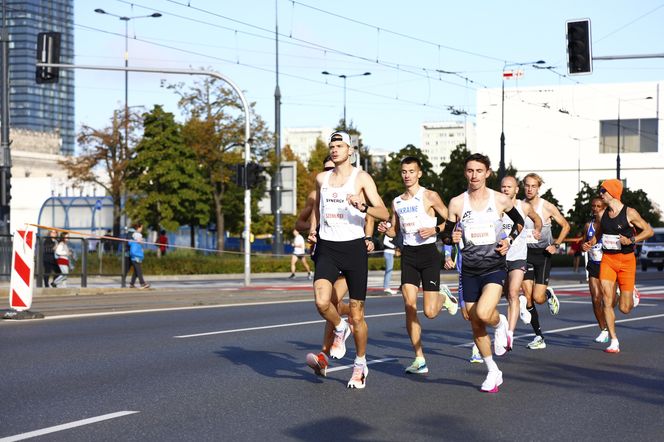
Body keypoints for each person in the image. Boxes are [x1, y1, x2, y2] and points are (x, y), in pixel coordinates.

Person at [308, 131, 389, 389]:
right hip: (328, 247)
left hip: (353, 249)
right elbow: (317, 209)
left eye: (339, 145)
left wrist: (363, 207)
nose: (334, 149)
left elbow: (384, 212)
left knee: (357, 314)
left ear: (350, 151)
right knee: (322, 301)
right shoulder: (321, 178)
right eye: (332, 146)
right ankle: (339, 327)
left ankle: (360, 364)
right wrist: (314, 231)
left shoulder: (361, 178)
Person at [445, 153, 524, 393]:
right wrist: (451, 238)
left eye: (479, 171)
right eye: (470, 171)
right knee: (473, 320)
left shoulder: (500, 200)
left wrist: (509, 240)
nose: (474, 175)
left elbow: (520, 223)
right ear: (465, 173)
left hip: (493, 267)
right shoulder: (457, 203)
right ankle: (493, 371)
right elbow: (448, 234)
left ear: (487, 173)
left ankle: (501, 323)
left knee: (483, 312)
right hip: (469, 269)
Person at [378, 156, 458, 374]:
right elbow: (396, 232)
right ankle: (419, 358)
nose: (407, 175)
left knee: (430, 312)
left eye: (411, 171)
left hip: (429, 254)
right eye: (404, 171)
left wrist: (436, 230)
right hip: (409, 255)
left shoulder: (430, 196)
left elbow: (451, 220)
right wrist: (387, 229)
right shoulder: (397, 202)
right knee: (409, 305)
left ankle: (444, 297)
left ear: (419, 173)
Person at [582, 179, 653, 353]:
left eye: (603, 190)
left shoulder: (629, 213)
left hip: (627, 261)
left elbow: (649, 231)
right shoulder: (603, 214)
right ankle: (614, 340)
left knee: (624, 308)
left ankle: (631, 292)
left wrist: (631, 240)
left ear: (613, 192)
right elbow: (598, 234)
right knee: (607, 300)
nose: (601, 194)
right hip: (608, 260)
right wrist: (589, 243)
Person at [521, 173, 570, 350]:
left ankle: (547, 294)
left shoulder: (547, 207)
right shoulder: (518, 206)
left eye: (533, 186)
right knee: (527, 297)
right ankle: (538, 336)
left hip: (543, 254)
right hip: (525, 253)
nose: (529, 189)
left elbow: (566, 225)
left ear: (538, 188)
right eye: (527, 185)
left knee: (537, 298)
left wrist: (556, 244)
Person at [498, 176, 542, 354]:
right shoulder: (496, 206)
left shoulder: (523, 207)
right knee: (503, 293)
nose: (505, 190)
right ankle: (520, 307)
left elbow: (537, 220)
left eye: (509, 187)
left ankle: (509, 334)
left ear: (516, 190)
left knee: (513, 292)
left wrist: (537, 230)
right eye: (503, 187)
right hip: (499, 256)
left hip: (518, 256)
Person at [583, 197, 611, 343]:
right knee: (595, 299)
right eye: (593, 206)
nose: (595, 208)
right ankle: (604, 330)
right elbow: (584, 241)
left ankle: (626, 289)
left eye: (599, 206)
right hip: (594, 264)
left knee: (609, 301)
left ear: (605, 207)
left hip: (609, 264)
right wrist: (584, 245)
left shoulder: (609, 224)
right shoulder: (589, 225)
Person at [128, 224, 151, 289]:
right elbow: (138, 243)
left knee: (136, 271)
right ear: (138, 228)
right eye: (141, 228)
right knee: (139, 271)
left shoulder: (135, 239)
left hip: (136, 256)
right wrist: (140, 240)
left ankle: (132, 284)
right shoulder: (136, 237)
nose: (142, 229)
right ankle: (142, 283)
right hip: (136, 256)